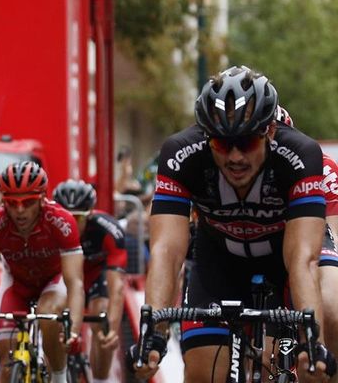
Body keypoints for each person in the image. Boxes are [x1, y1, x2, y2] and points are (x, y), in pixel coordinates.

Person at [130, 66, 334, 382]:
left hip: (284, 259)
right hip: (219, 259)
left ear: (270, 132)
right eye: (223, 145)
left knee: (323, 327)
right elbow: (166, 252)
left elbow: (302, 261)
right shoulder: (182, 154)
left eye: (247, 142)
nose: (235, 157)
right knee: (201, 372)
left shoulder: (299, 154)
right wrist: (152, 335)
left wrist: (313, 340)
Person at [0, 162, 85, 383]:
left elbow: (75, 283)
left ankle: (59, 376)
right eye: (12, 202)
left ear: (41, 199)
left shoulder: (61, 221)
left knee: (49, 311)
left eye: (27, 202)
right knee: (7, 367)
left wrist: (72, 331)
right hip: (16, 284)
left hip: (52, 282)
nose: (19, 210)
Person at [277, 105, 338, 382]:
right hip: (265, 245)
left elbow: (334, 231)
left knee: (331, 306)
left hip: (313, 237)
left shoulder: (322, 166)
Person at [53, 179, 126, 383]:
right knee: (51, 313)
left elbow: (117, 288)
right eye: (66, 217)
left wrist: (110, 328)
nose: (71, 224)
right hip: (64, 279)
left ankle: (100, 380)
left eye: (77, 218)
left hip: (95, 278)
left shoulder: (109, 230)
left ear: (90, 213)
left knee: (101, 316)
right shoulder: (49, 227)